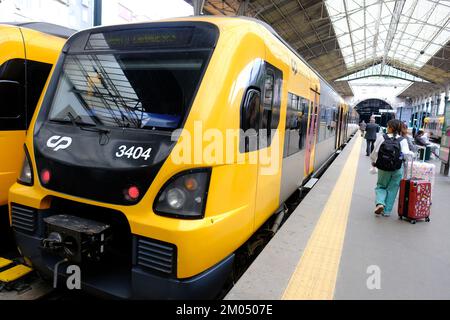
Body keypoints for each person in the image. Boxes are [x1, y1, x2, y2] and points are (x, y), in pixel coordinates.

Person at [370, 119, 413, 216]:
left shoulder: (382, 138)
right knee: (393, 189)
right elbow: (406, 155)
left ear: (390, 128)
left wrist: (373, 161)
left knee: (381, 186)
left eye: (388, 126)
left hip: (383, 168)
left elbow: (375, 152)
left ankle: (380, 203)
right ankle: (387, 211)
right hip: (397, 168)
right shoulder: (403, 140)